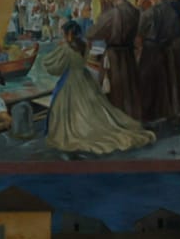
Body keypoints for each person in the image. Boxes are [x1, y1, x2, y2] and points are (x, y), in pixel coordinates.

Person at [38, 20, 157, 157]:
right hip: (85, 78)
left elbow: (55, 68)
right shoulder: (84, 45)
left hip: (71, 81)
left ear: (69, 34)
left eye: (64, 33)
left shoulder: (66, 48)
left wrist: (44, 60)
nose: (63, 35)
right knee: (94, 109)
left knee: (72, 112)